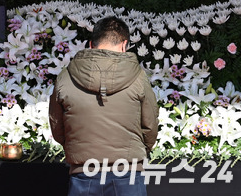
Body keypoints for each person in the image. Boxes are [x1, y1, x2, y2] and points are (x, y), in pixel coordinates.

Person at [49, 16, 159, 196]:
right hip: (127, 171)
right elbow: (150, 125)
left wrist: (78, 150)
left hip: (84, 173)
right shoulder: (139, 77)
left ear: (91, 45)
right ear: (124, 45)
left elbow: (57, 127)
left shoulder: (66, 77)